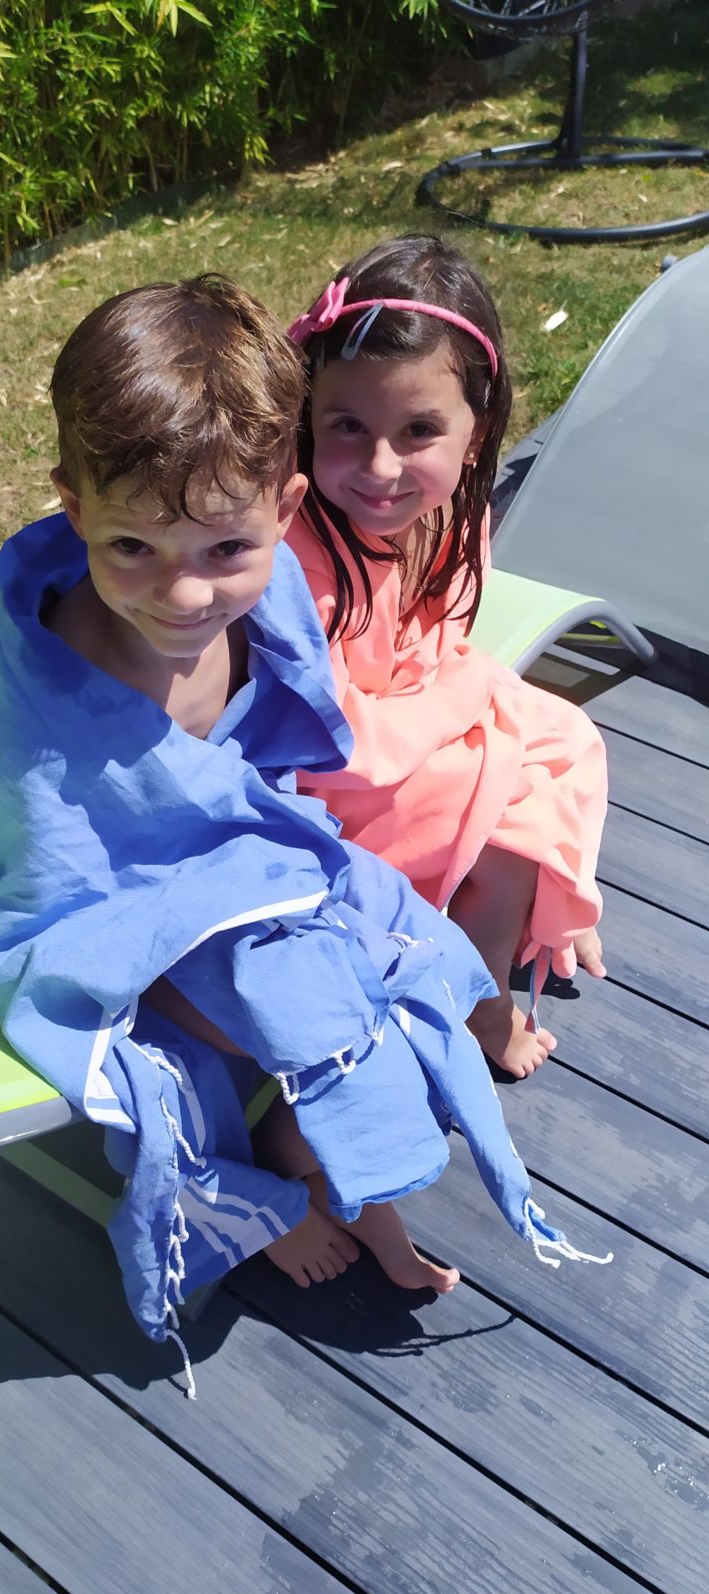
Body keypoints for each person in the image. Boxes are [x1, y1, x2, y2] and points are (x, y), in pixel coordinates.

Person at [0, 273, 606, 1387]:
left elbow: (265, 756)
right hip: (108, 914)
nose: (183, 594)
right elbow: (43, 871)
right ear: (73, 508)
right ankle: (248, 1201)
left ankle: (346, 1176)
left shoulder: (275, 588)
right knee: (284, 1013)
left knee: (397, 962)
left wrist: (275, 876)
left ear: (283, 513)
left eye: (222, 553)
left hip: (231, 861)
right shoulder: (65, 686)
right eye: (131, 547)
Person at [286, 236, 609, 1079]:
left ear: (477, 434)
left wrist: (457, 697)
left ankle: (552, 903)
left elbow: (445, 643)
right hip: (328, 776)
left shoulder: (452, 512)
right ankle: (482, 998)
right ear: (308, 416)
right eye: (347, 427)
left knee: (568, 736)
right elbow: (329, 738)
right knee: (503, 819)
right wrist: (461, 705)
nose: (380, 467)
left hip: (414, 715)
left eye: (419, 430)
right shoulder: (302, 557)